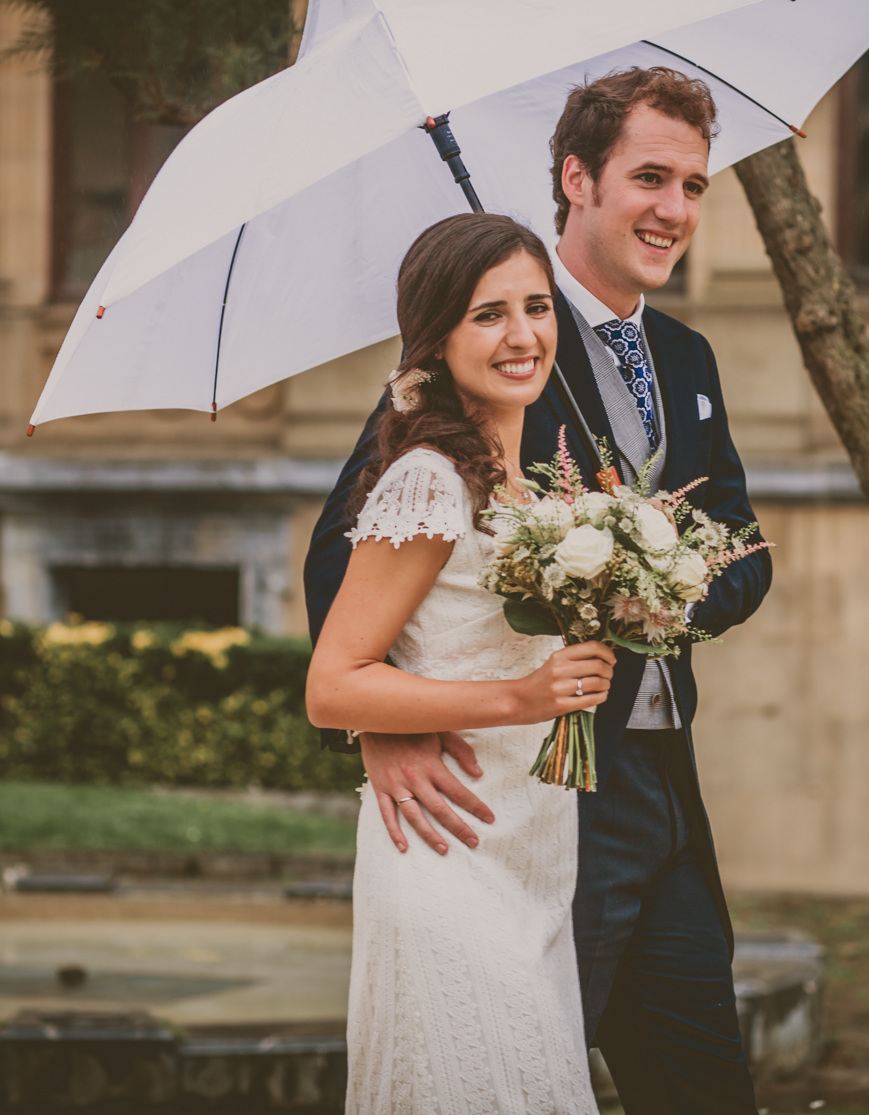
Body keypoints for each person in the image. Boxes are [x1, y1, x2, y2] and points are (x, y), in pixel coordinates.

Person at [306, 66, 772, 1113]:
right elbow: (347, 552)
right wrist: (381, 723)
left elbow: (743, 546)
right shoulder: (482, 348)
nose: (674, 209)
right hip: (532, 790)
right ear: (577, 176)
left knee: (705, 1079)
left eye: (695, 185)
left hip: (660, 778)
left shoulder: (688, 354)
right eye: (651, 176)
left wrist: (652, 585)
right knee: (512, 1068)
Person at [306, 212, 615, 1114]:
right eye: (488, 316)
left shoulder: (534, 490)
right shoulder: (430, 479)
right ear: (436, 341)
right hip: (447, 852)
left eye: (537, 307)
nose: (524, 337)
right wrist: (523, 695)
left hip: (530, 851)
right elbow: (333, 685)